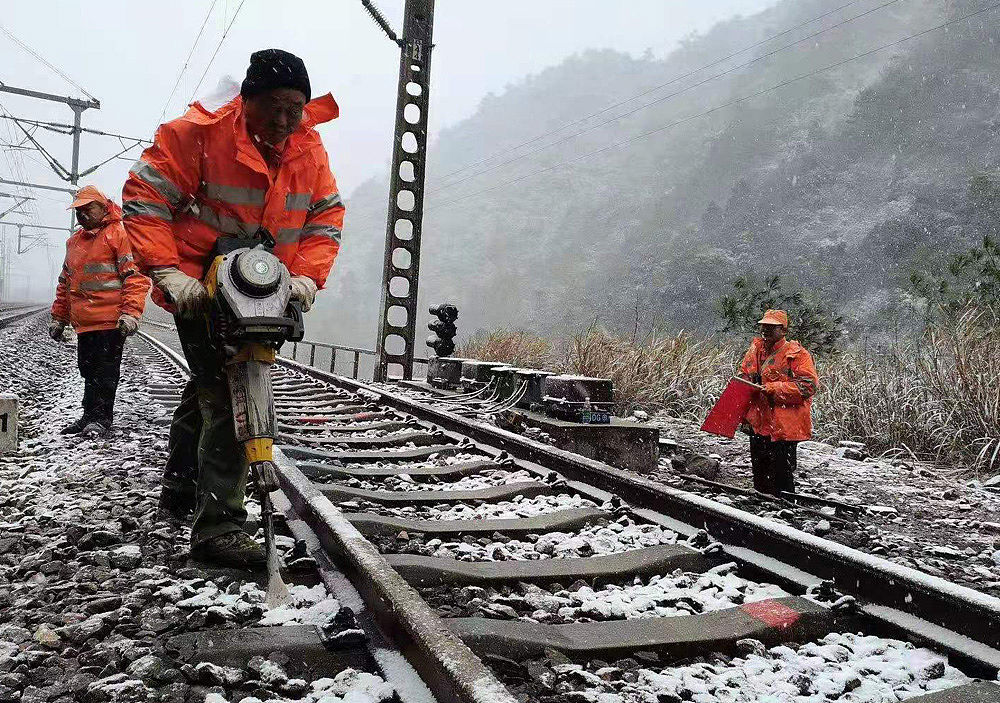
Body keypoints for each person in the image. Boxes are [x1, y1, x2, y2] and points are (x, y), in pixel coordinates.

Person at [122, 49, 344, 568]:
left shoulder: (308, 147)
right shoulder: (196, 135)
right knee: (228, 393)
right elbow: (144, 198)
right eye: (273, 105)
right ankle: (218, 530)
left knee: (208, 385)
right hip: (200, 288)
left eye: (295, 106)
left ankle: (179, 487)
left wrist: (308, 277)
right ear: (246, 100)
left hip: (266, 291)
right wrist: (167, 272)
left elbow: (325, 215)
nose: (285, 119)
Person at [49, 186, 150, 438]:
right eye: (78, 211)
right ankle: (89, 416)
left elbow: (134, 277)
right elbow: (65, 283)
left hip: (110, 322)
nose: (81, 215)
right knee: (88, 369)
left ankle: (101, 419)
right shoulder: (73, 242)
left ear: (104, 207)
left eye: (87, 209)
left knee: (104, 372)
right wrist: (59, 318)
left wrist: (130, 313)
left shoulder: (119, 234)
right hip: (84, 323)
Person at [737, 309, 819, 495]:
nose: (765, 330)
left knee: (782, 473)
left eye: (771, 327)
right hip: (759, 422)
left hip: (784, 426)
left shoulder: (797, 354)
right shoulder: (755, 350)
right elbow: (745, 374)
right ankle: (762, 508)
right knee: (760, 469)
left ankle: (784, 511)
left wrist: (775, 389)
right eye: (763, 326)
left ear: (783, 330)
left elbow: (808, 386)